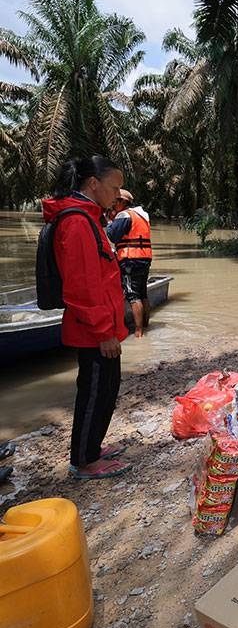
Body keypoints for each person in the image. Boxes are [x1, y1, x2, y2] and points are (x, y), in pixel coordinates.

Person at [44, 156, 131, 479]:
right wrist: (103, 331)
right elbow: (82, 288)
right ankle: (84, 461)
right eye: (114, 187)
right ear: (93, 184)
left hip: (102, 326)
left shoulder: (90, 218)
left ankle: (92, 447)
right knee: (94, 393)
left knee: (106, 388)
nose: (117, 194)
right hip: (94, 330)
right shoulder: (78, 222)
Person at [106, 189, 153, 337]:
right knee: (142, 293)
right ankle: (146, 325)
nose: (113, 205)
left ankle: (139, 332)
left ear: (123, 202)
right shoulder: (142, 215)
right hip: (144, 258)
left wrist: (109, 222)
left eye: (115, 202)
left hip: (130, 259)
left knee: (133, 295)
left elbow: (112, 236)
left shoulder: (124, 215)